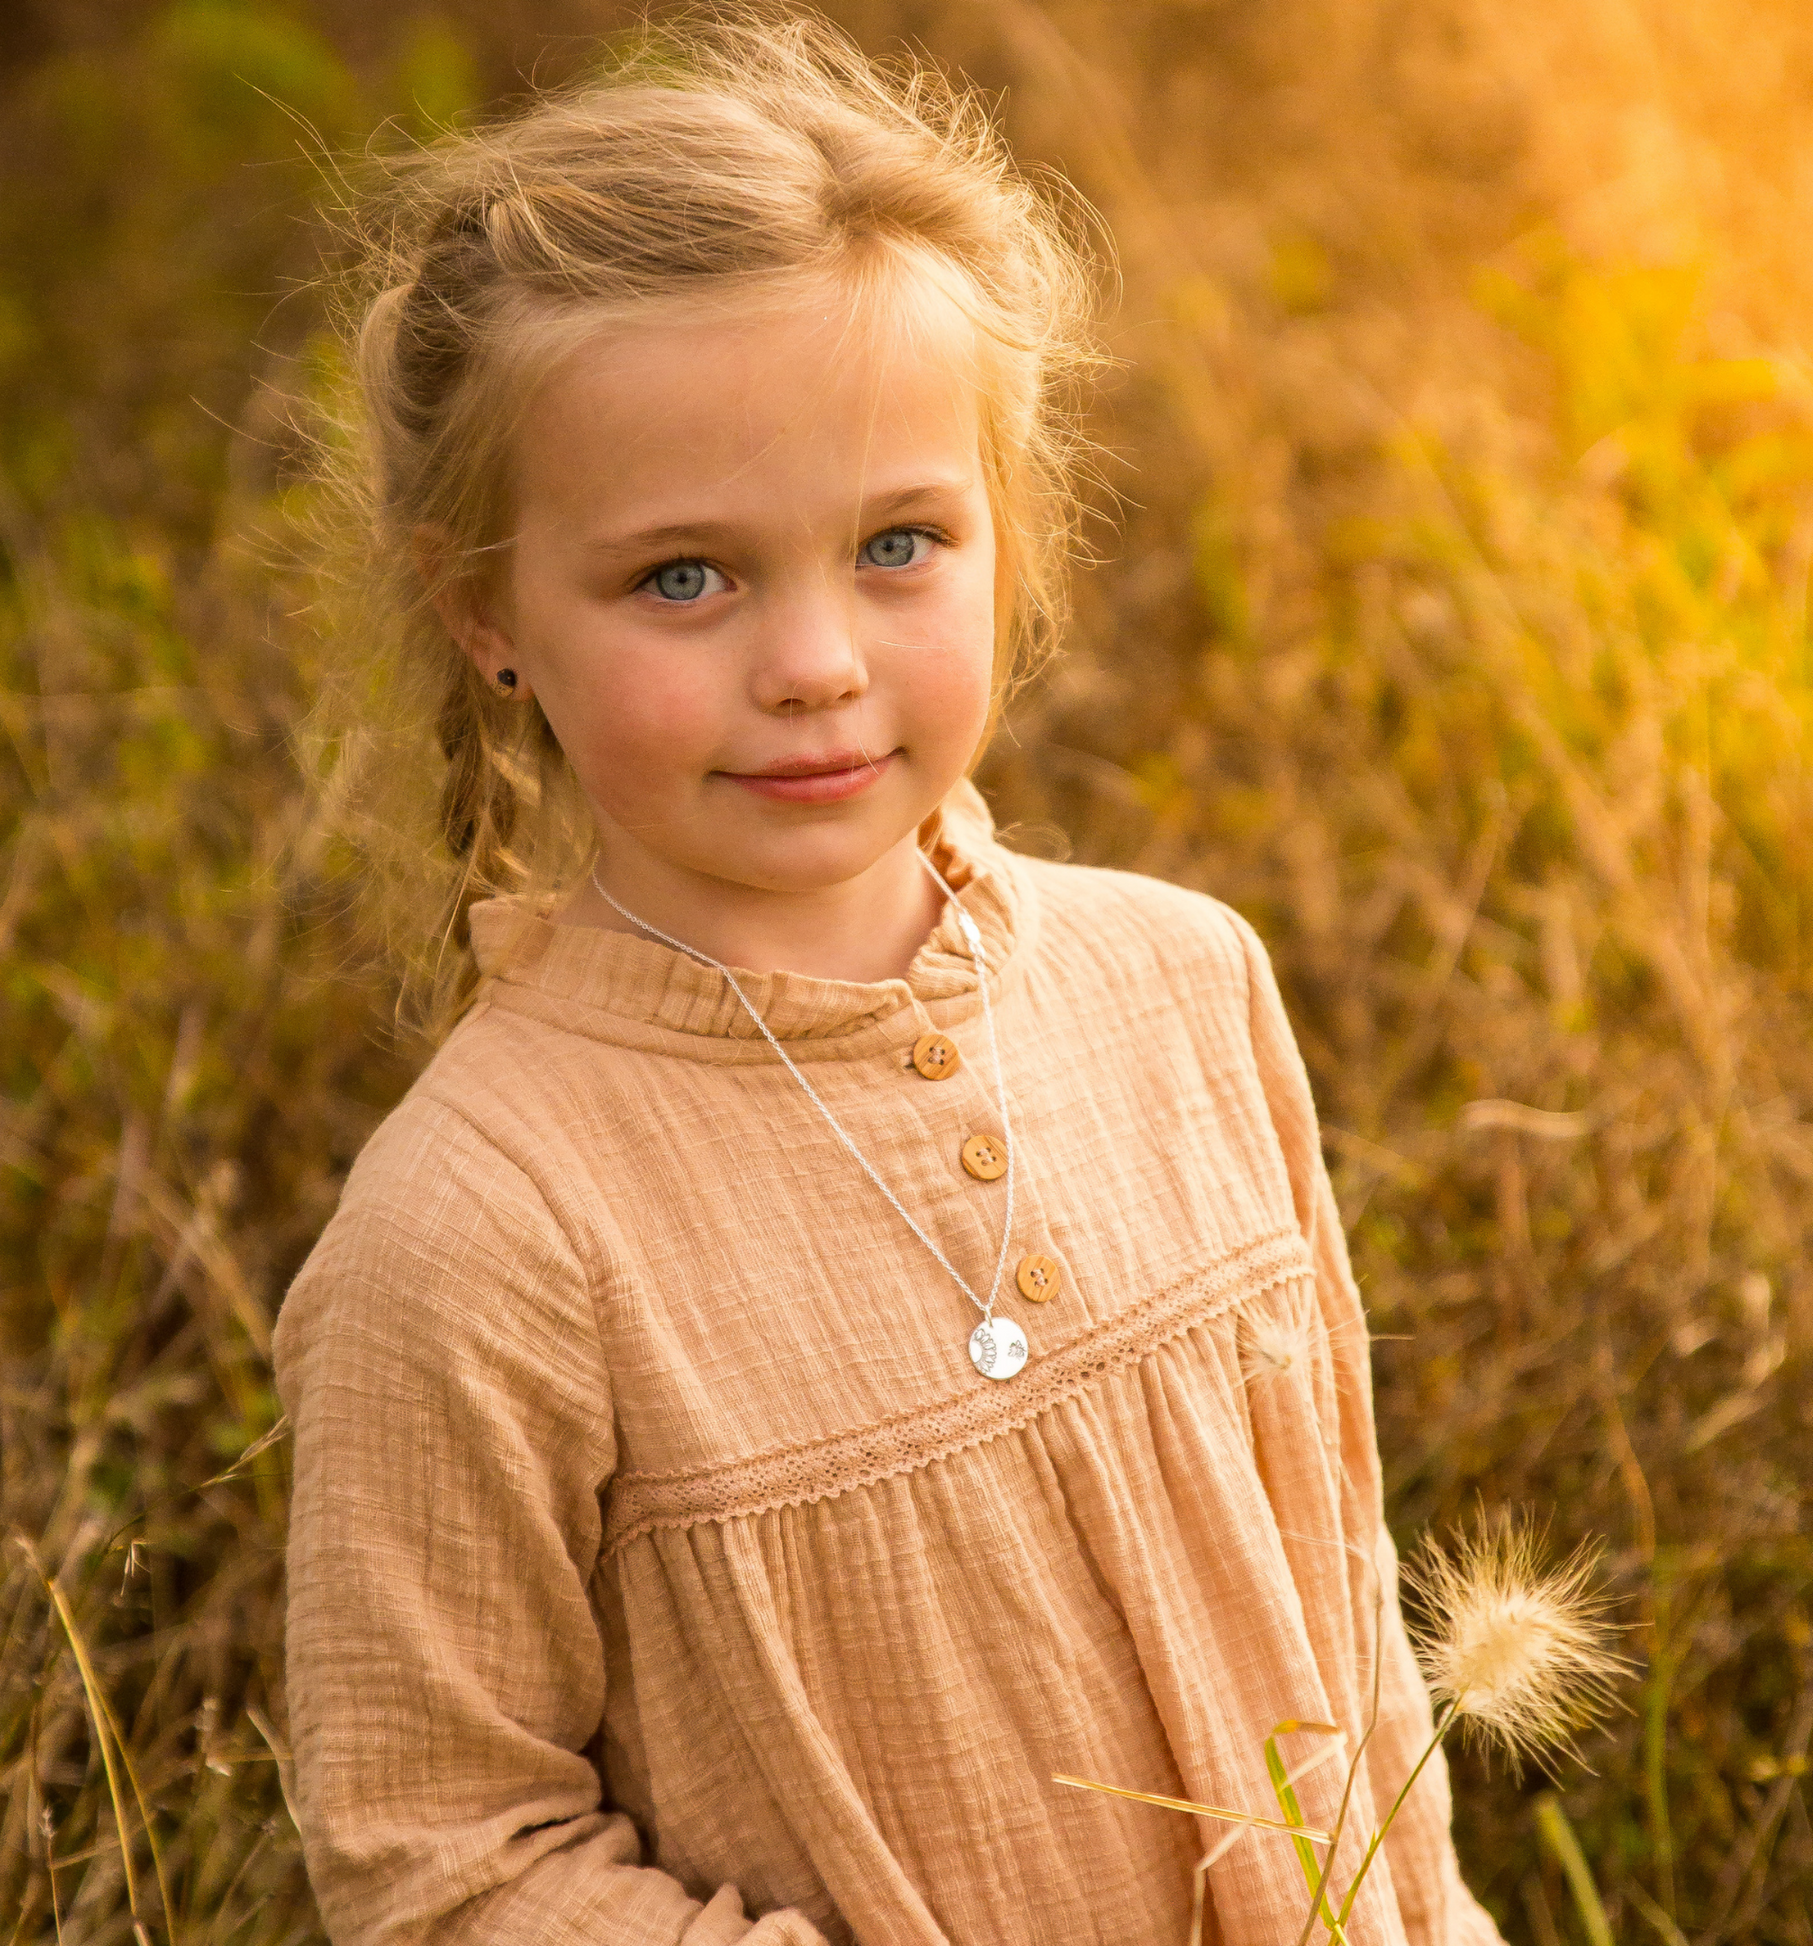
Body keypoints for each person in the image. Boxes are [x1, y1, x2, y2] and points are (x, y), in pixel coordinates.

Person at [272, 12, 1503, 1944]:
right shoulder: (480, 1231)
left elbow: (1338, 1598)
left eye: (898, 543)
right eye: (686, 575)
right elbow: (438, 1857)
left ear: (1008, 537)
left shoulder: (1185, 987)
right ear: (484, 609)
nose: (815, 662)